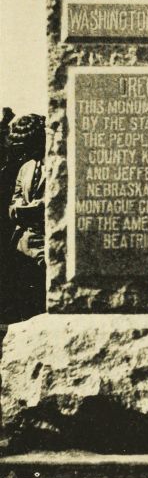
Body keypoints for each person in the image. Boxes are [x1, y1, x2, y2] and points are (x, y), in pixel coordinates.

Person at [4, 114, 46, 322]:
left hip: (48, 243)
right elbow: (14, 200)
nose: (26, 152)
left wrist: (42, 207)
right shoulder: (26, 168)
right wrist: (18, 209)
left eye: (29, 145)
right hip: (23, 244)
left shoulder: (59, 164)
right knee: (25, 303)